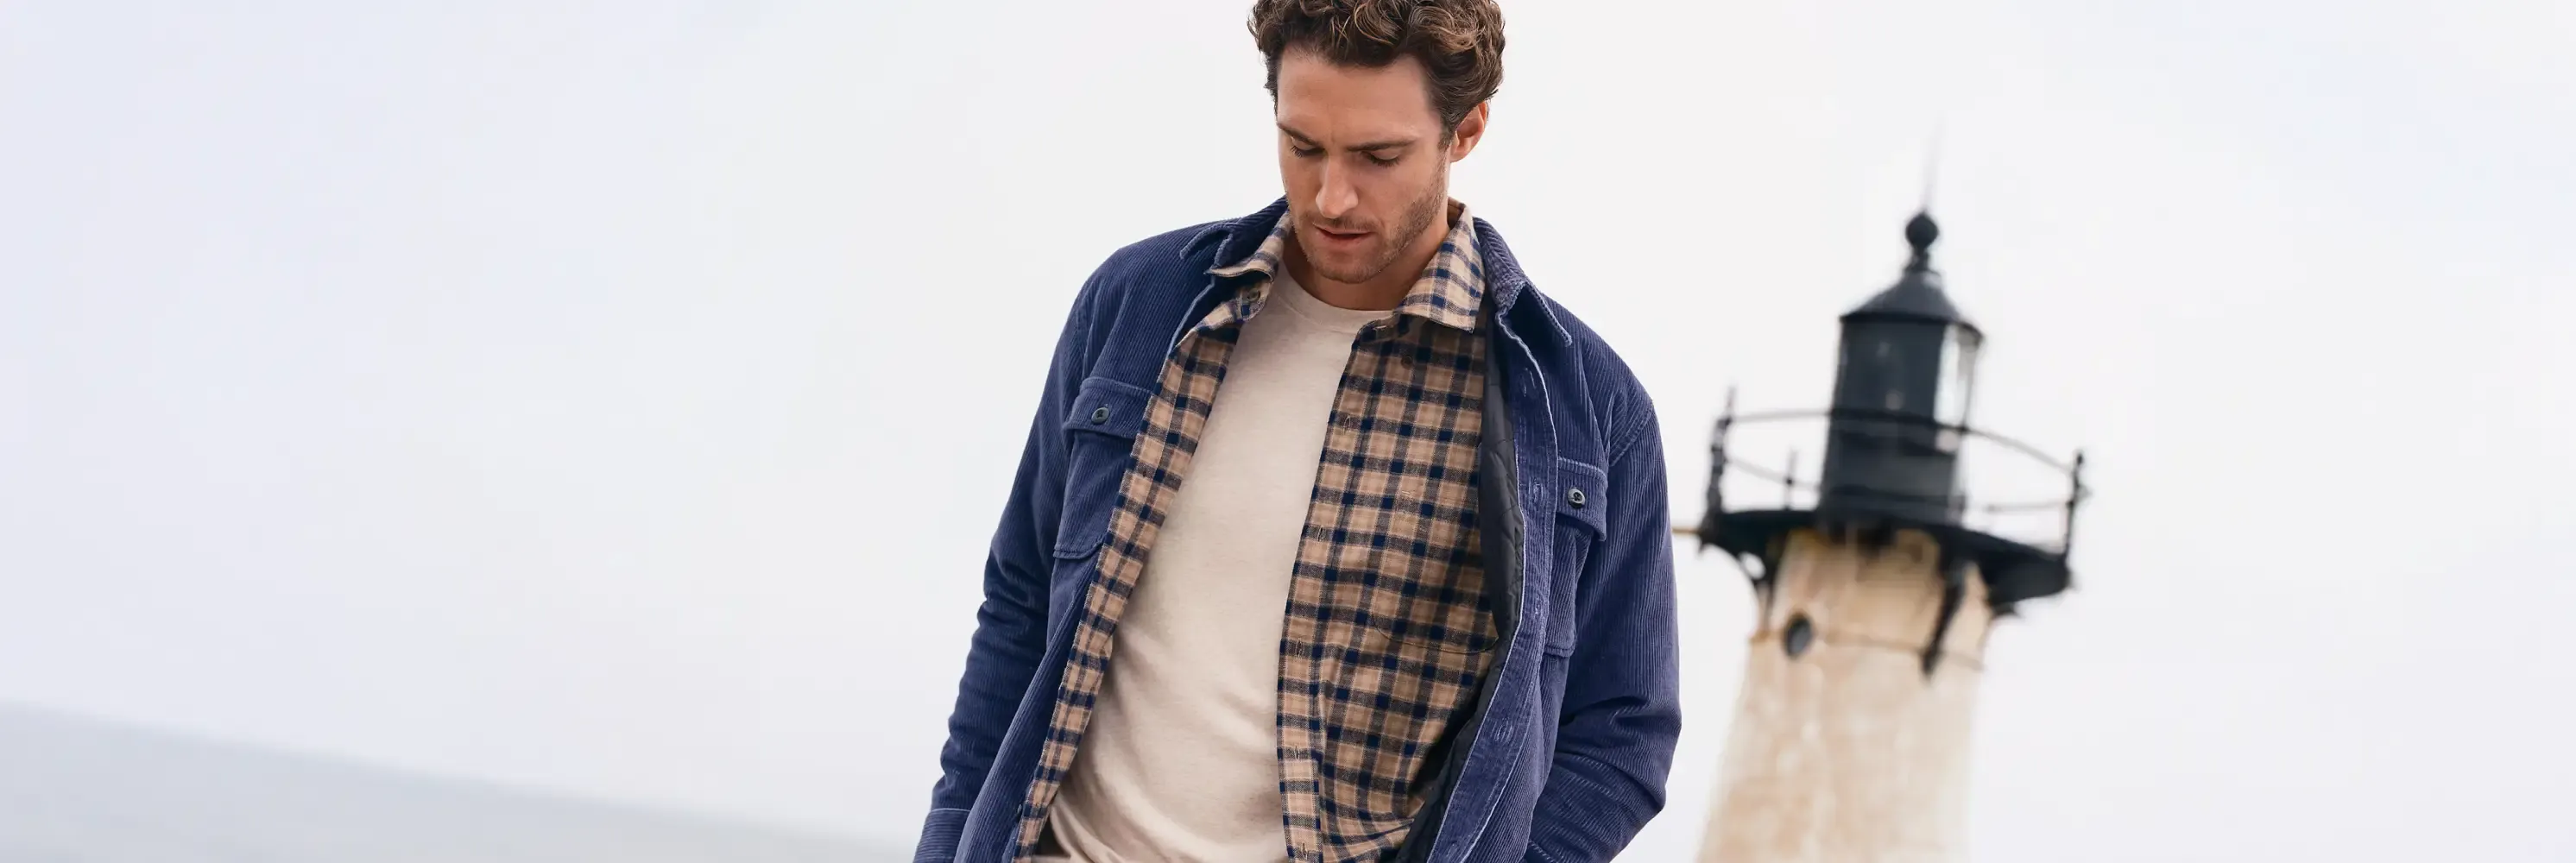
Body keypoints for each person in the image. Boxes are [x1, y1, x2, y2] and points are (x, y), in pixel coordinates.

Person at [914, 2, 1679, 860]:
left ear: (1464, 132)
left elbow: (1621, 734)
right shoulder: (1137, 305)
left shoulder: (1586, 408)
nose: (1331, 195)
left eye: (1377, 157)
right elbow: (1019, 605)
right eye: (1301, 145)